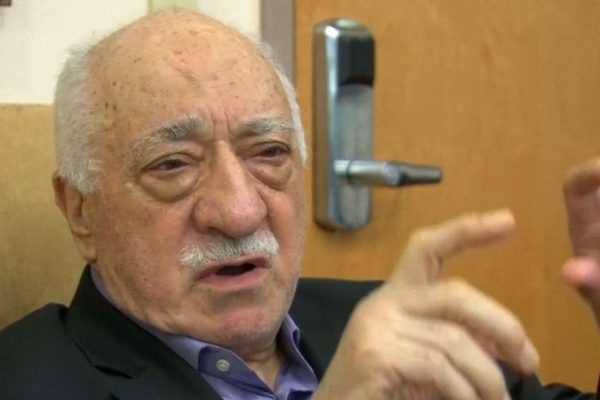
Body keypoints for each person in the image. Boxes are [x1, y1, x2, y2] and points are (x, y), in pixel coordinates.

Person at [0, 9, 596, 400]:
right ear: (80, 211)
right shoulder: (28, 379)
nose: (240, 211)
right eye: (173, 165)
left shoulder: (383, 320)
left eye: (269, 152)